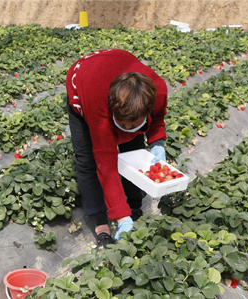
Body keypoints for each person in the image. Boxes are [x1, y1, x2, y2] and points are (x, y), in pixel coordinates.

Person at [66, 49, 168, 248]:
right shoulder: (99, 110)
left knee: (132, 148)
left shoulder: (157, 90)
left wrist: (157, 143)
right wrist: (121, 218)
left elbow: (157, 118)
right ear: (112, 111)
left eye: (134, 124)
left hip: (114, 67)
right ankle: (101, 224)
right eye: (124, 124)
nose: (128, 129)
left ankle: (134, 204)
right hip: (83, 82)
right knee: (88, 160)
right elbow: (107, 166)